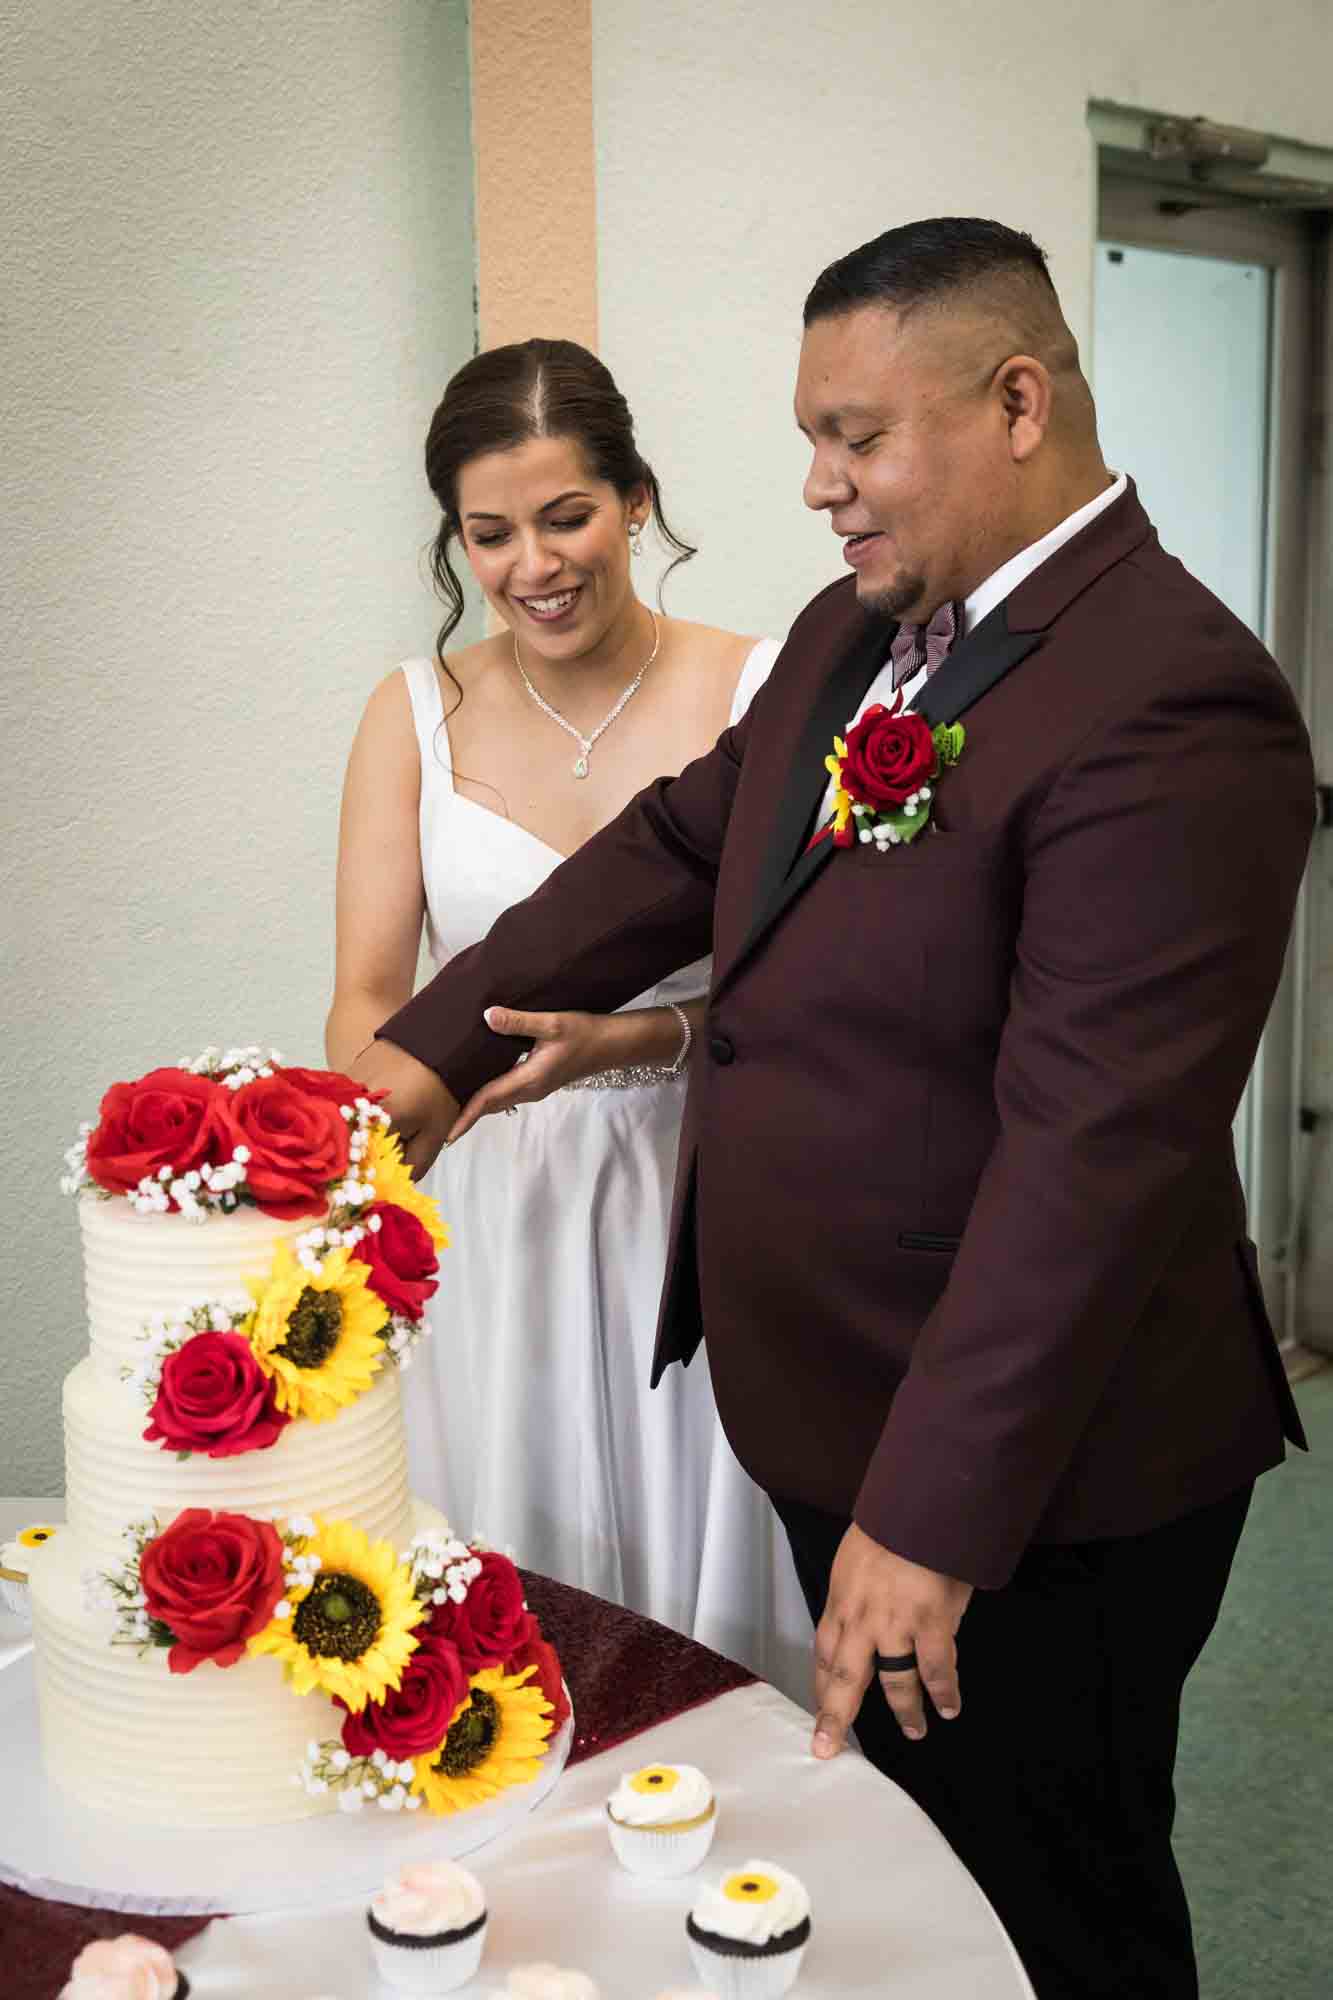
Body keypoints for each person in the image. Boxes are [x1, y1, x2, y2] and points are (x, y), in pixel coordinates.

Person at [349, 222, 1314, 1998]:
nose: (816, 486)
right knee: (907, 1870)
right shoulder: (855, 629)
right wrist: (432, 1057)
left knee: (1051, 1894)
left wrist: (933, 1515)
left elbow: (1094, 1153)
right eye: (813, 441)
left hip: (1038, 1470)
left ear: (1015, 402)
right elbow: (679, 846)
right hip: (837, 1400)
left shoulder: (1176, 696)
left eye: (855, 437)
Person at [327, 337, 810, 1696]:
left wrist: (637, 1043)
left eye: (565, 516)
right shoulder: (413, 713)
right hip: (493, 1204)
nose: (533, 565)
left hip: (703, 1184)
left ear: (636, 499)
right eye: (489, 534)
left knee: (710, 1583)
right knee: (506, 1597)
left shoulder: (757, 686)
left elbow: (819, 987)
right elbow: (366, 996)